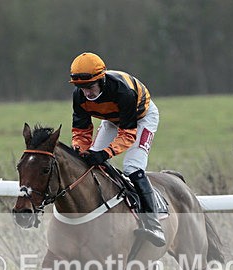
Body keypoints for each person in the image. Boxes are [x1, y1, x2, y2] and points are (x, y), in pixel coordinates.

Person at [69, 52, 166, 247]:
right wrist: (80, 151)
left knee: (132, 167)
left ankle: (153, 222)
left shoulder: (123, 92)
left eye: (90, 87)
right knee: (90, 163)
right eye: (81, 88)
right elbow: (81, 131)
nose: (86, 93)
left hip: (141, 119)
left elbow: (128, 134)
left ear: (102, 80)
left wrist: (105, 153)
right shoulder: (79, 95)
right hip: (112, 120)